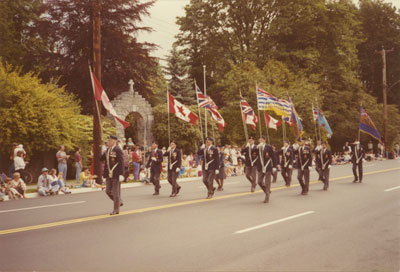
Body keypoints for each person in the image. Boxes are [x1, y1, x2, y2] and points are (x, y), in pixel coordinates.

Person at [101, 135, 124, 215]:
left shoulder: (117, 150)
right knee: (107, 191)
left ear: (114, 141)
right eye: (108, 140)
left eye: (110, 140)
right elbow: (101, 159)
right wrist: (101, 151)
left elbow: (121, 162)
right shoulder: (107, 150)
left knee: (115, 192)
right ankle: (119, 201)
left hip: (116, 173)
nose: (108, 142)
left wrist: (121, 174)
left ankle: (116, 209)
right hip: (108, 174)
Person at [256, 136, 277, 203]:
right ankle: (267, 191)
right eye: (260, 140)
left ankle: (267, 197)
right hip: (260, 167)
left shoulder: (268, 147)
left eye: (262, 140)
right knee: (259, 181)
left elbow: (273, 157)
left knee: (267, 183)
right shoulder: (258, 147)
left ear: (265, 140)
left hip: (267, 167)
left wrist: (274, 166)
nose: (260, 141)